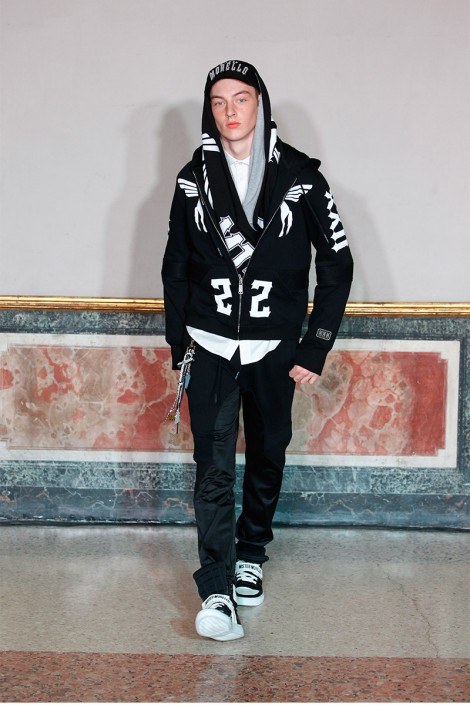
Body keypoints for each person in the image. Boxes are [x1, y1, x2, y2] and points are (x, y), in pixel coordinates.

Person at [162, 59, 353, 641]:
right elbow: (175, 266)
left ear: (260, 104)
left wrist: (315, 346)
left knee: (268, 453)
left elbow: (337, 262)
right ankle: (216, 590)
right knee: (213, 467)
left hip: (275, 346)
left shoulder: (301, 177)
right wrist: (179, 341)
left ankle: (250, 553)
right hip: (209, 343)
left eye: (240, 99)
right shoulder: (192, 179)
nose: (230, 112)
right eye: (219, 101)